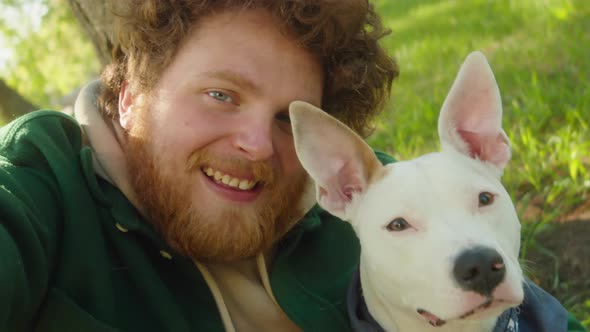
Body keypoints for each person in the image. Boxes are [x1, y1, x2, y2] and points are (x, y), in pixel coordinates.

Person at [0, 0, 585, 331]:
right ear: (129, 92)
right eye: (220, 95)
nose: (256, 143)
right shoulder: (38, 180)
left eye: (286, 117)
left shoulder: (375, 199)